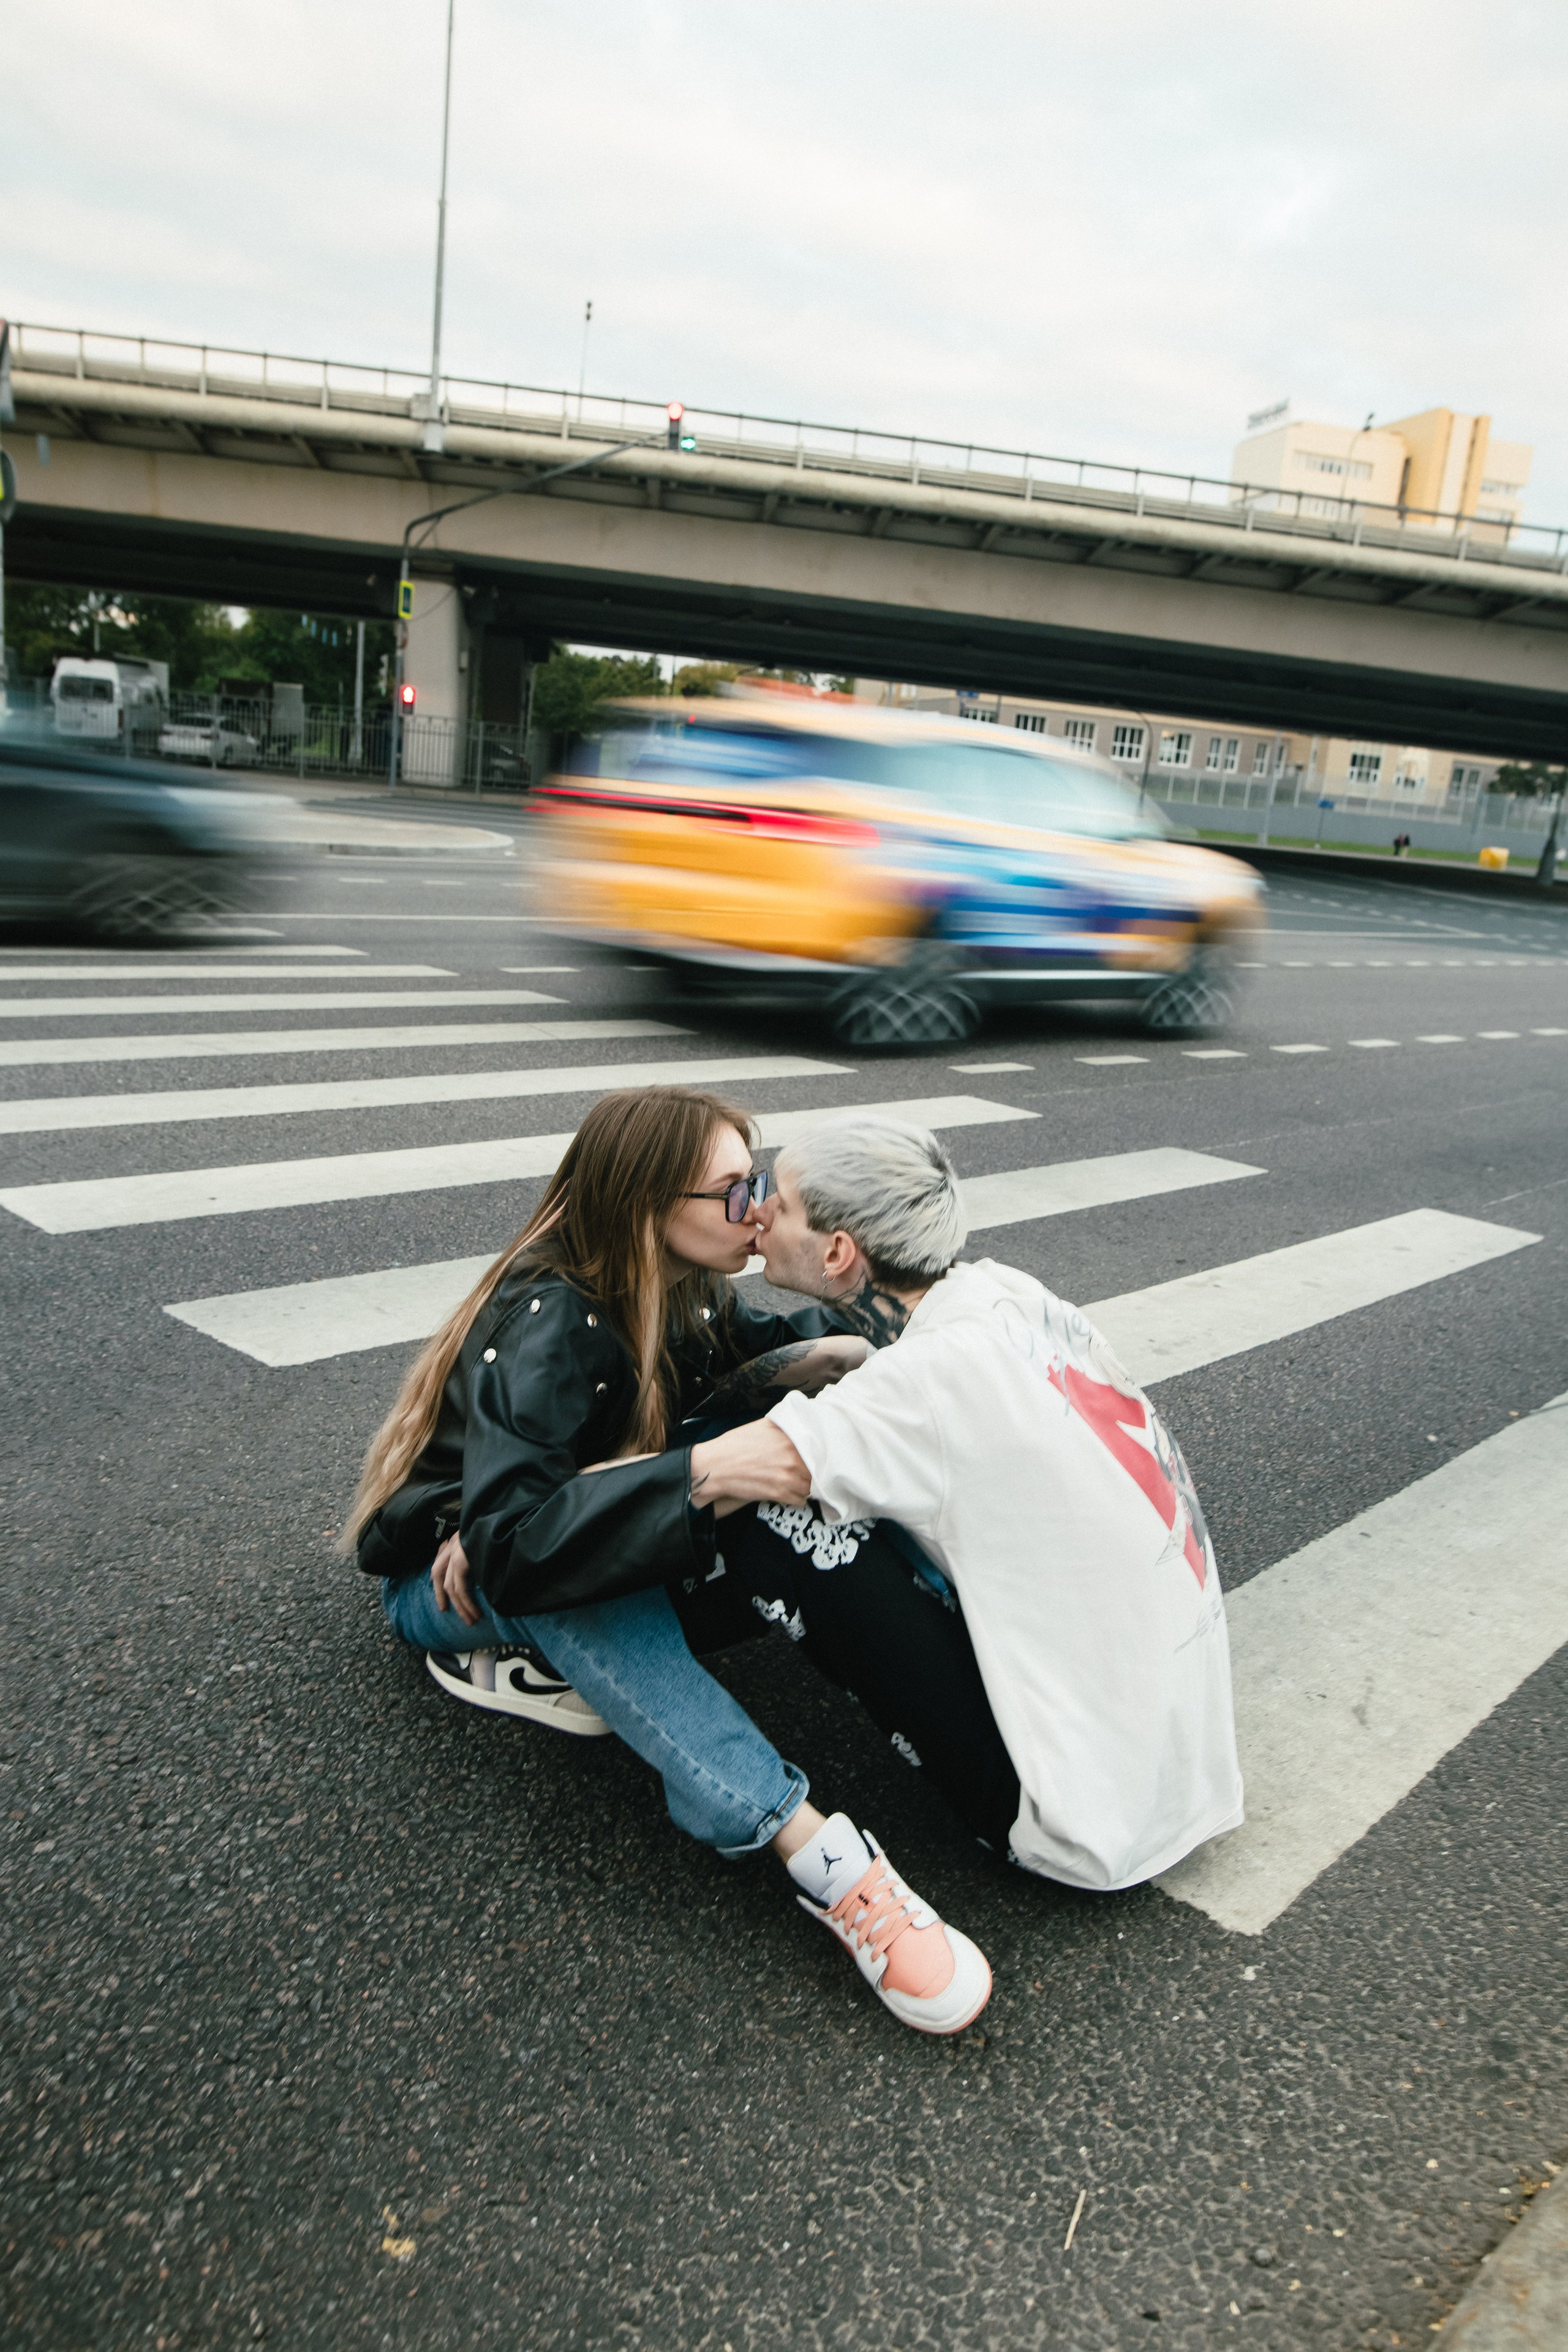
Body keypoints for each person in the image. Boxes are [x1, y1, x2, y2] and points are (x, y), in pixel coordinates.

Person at [344, 1085, 993, 2036]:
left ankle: (967, 1644)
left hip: (521, 1540)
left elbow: (759, 1351)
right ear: (649, 1204)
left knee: (759, 1443)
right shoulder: (553, 1319)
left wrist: (853, 1340)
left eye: (759, 1181)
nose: (759, 1210)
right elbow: (519, 1542)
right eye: (734, 1193)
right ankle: (824, 1859)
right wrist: (661, 1480)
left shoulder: (675, 1283)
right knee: (577, 1570)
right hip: (447, 1578)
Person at [695, 1117, 1245, 1894]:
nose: (754, 1212)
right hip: (1176, 1768)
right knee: (845, 1449)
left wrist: (524, 1521)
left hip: (1073, 1824)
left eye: (775, 1202)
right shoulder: (1006, 1294)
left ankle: (615, 1642)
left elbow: (709, 1476)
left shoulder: (925, 1383)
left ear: (839, 1252)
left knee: (772, 1514)